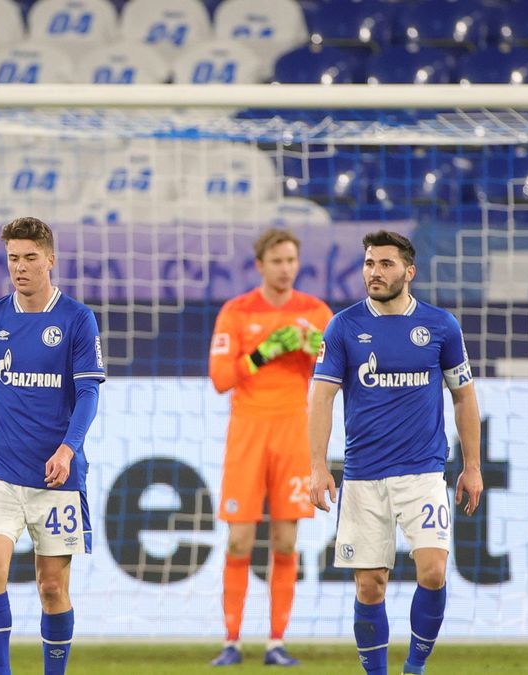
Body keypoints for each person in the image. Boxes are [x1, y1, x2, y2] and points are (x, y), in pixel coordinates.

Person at [309, 230, 483, 675]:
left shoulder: (441, 326)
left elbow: (464, 396)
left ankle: (415, 668)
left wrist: (472, 467)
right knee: (370, 585)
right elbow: (321, 397)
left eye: (385, 264)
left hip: (423, 472)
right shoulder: (343, 326)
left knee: (433, 572)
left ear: (409, 271)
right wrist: (317, 466)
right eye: (369, 263)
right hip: (364, 474)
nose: (375, 272)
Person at [0, 216, 105, 675]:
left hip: (56, 478)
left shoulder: (77, 319)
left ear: (50, 260)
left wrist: (67, 449)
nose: (19, 267)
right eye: (12, 258)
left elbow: (88, 393)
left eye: (29, 258)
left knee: (51, 588)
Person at [208, 228, 332, 667]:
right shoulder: (237, 312)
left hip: (293, 431)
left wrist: (313, 346)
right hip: (248, 431)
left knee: (285, 539)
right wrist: (263, 352)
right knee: (240, 539)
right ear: (260, 265)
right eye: (277, 261)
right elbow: (220, 378)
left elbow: (339, 370)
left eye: (291, 261)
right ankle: (232, 641)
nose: (285, 268)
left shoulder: (315, 312)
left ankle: (276, 641)